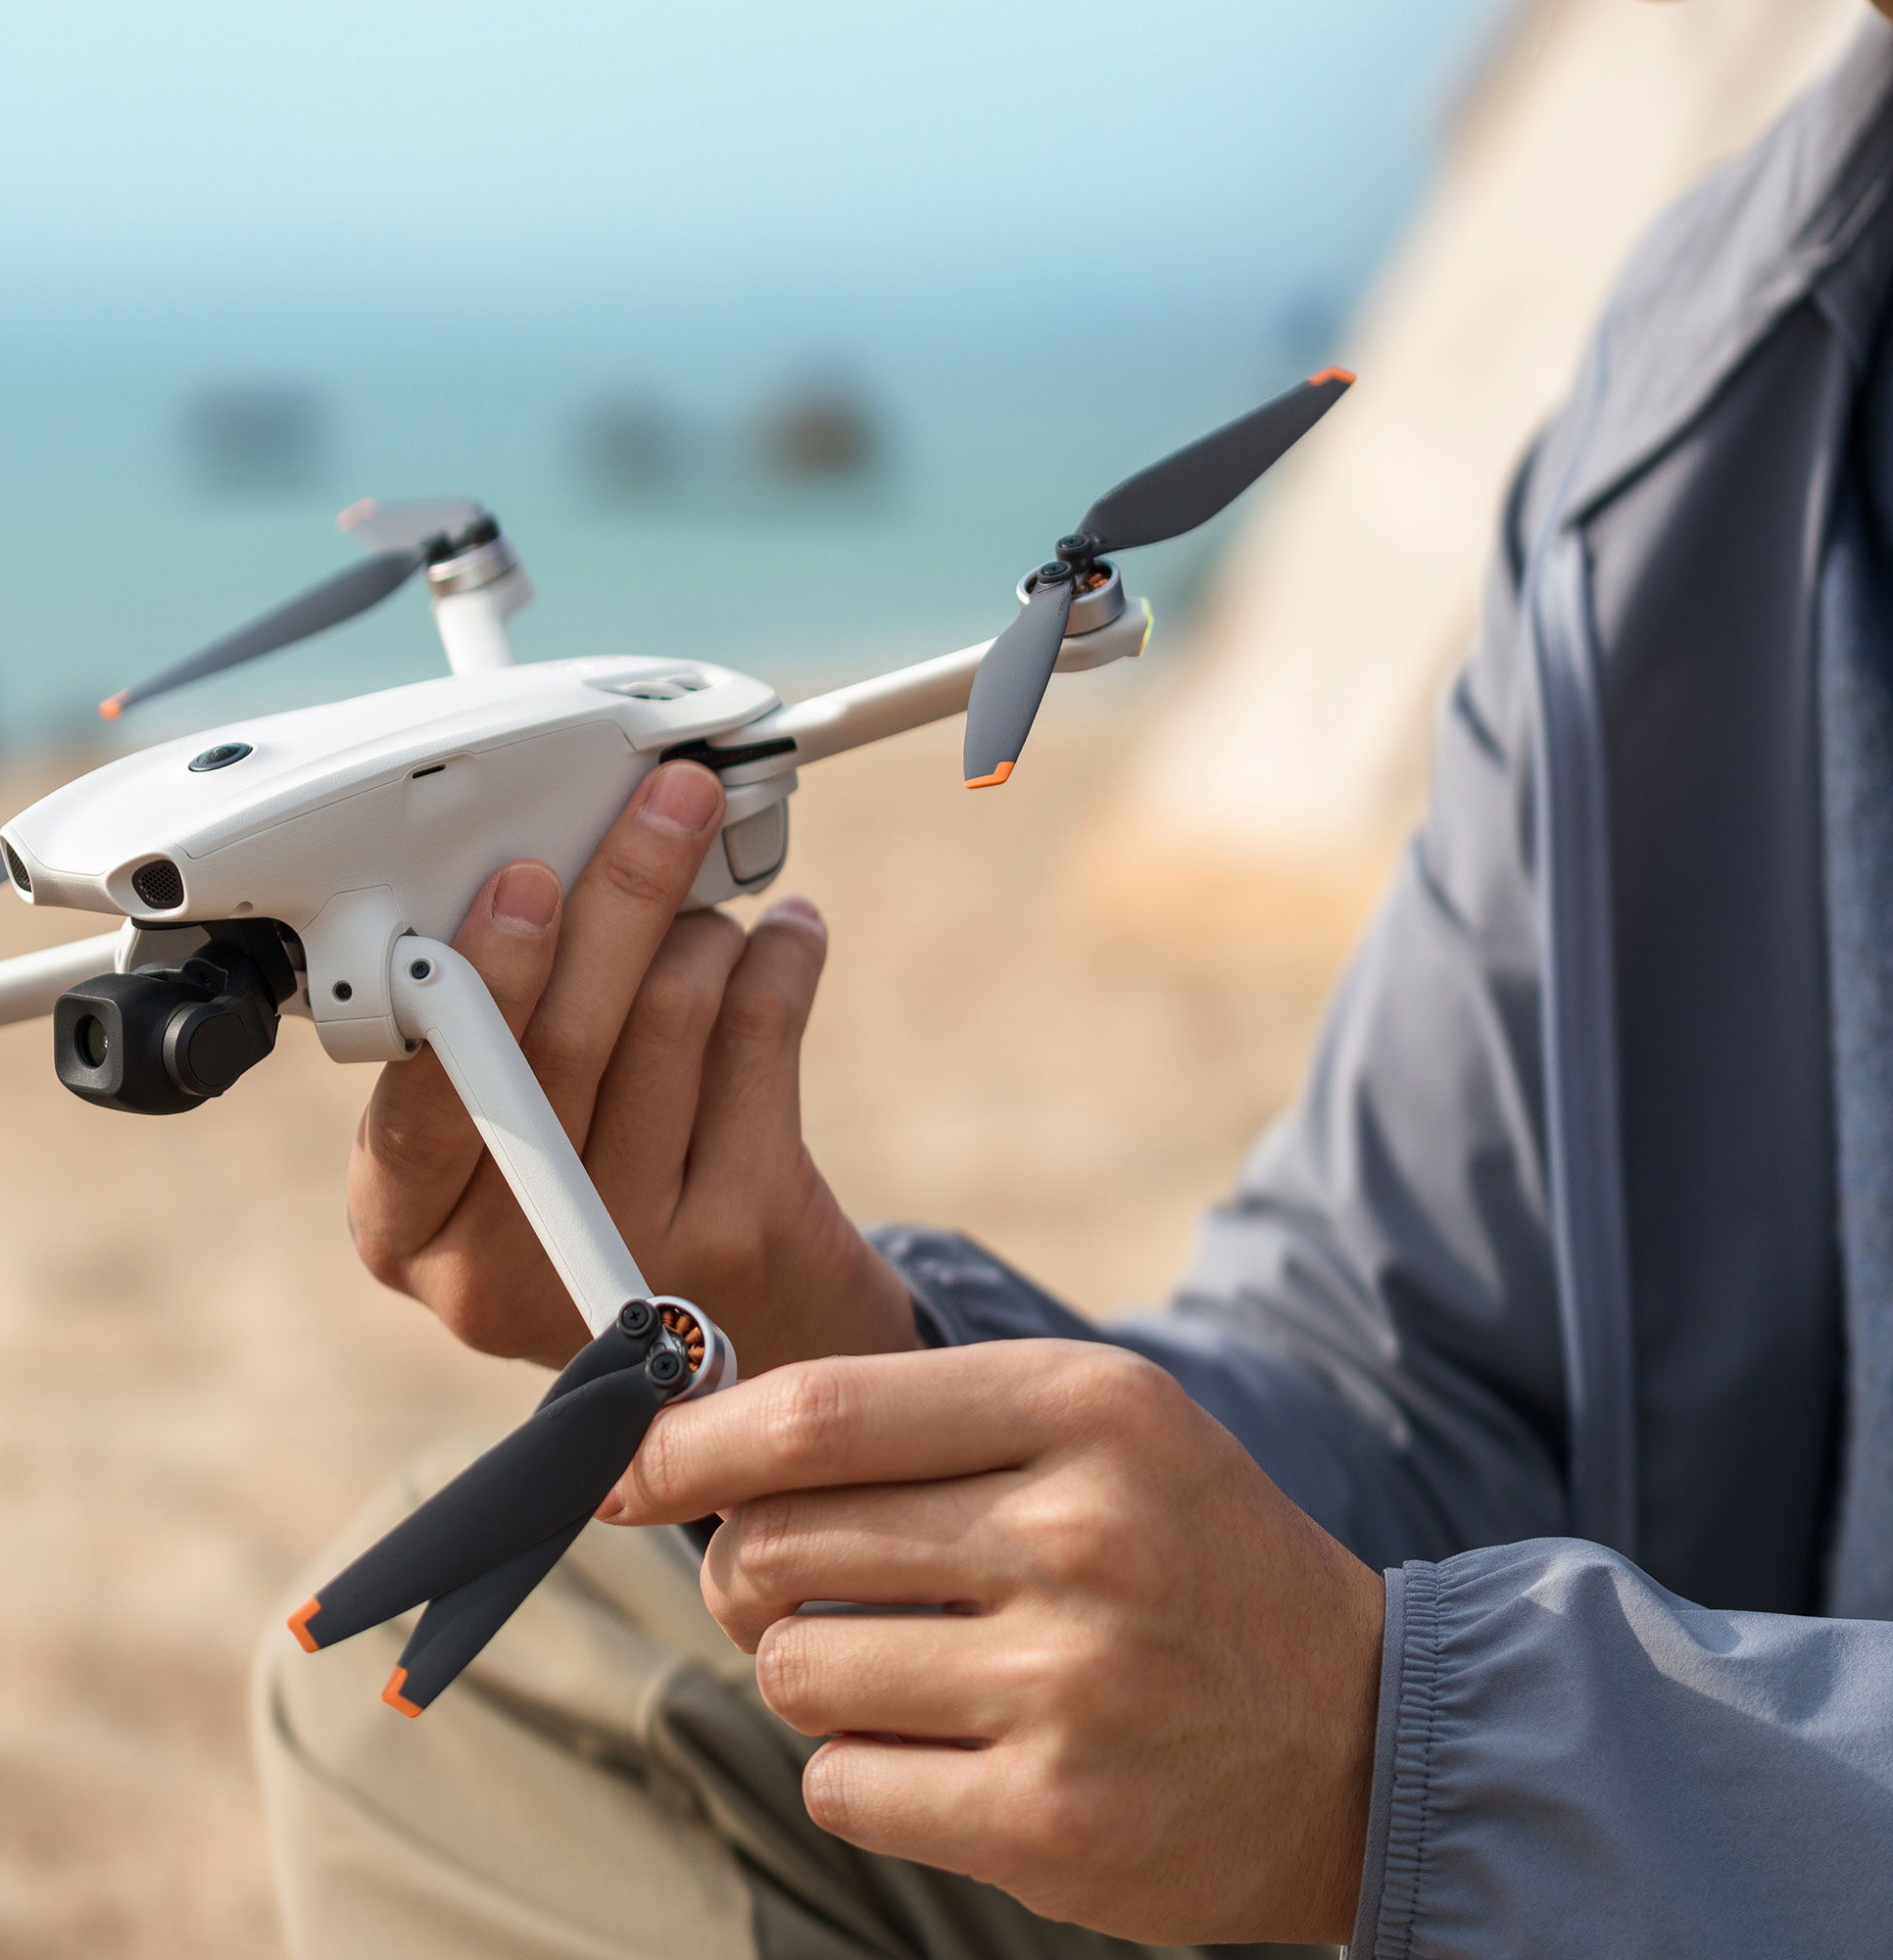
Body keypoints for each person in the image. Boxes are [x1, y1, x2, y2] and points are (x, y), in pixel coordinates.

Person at [251, 12, 1893, 1957]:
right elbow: (1438, 1367)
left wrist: (1411, 1760)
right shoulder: (1739, 368)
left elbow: (1414, 1717)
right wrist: (824, 1327)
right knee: (560, 1676)